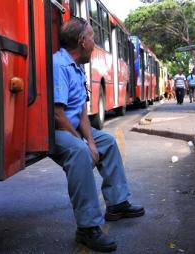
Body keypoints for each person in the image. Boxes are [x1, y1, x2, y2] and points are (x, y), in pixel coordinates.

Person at [50, 17, 145, 252]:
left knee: (108, 143)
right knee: (80, 153)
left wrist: (92, 142)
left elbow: (81, 111)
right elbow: (57, 115)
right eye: (93, 37)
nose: (95, 43)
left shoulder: (78, 67)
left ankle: (117, 204)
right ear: (82, 41)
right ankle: (87, 228)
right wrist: (82, 144)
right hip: (54, 131)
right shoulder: (59, 65)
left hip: (71, 126)